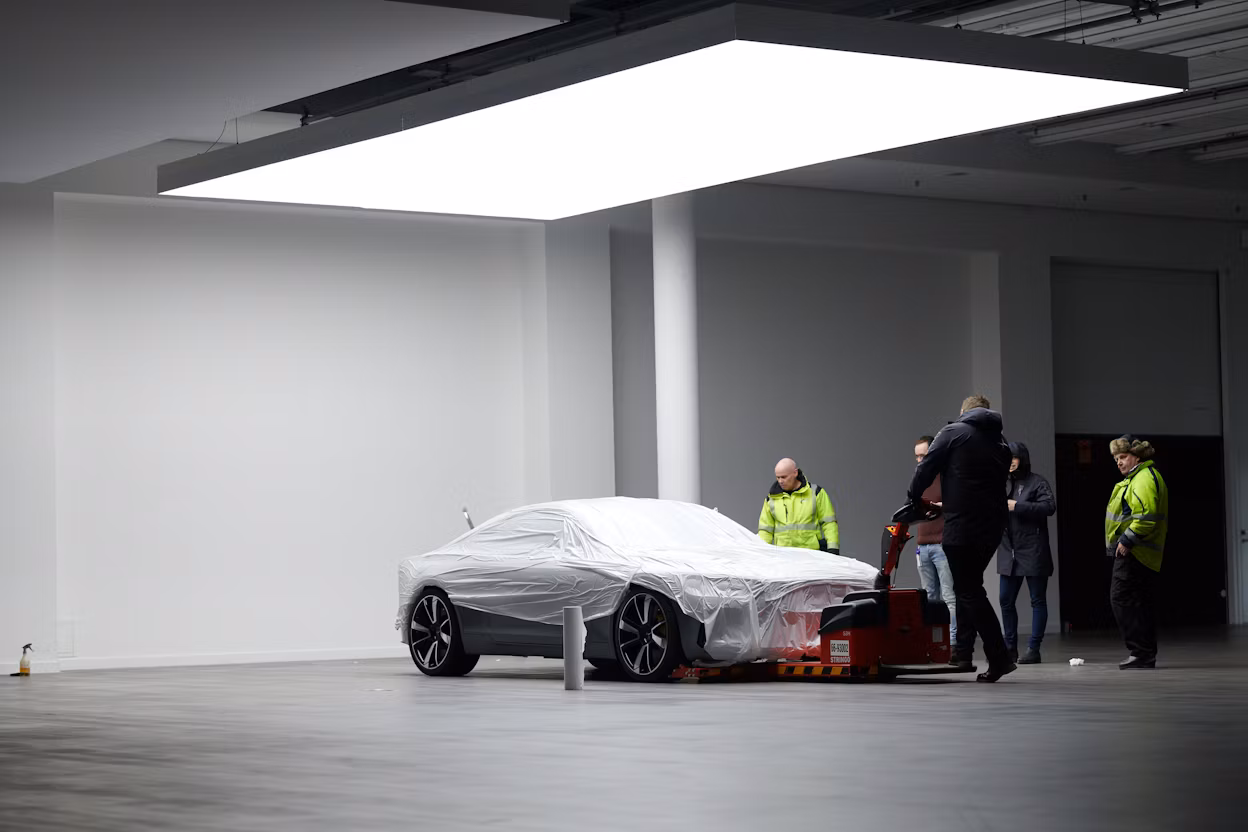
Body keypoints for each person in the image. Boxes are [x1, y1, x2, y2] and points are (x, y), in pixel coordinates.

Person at [907, 394, 1014, 682]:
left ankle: (999, 657)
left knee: (968, 591)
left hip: (961, 525)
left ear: (964, 412)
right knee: (970, 589)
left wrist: (913, 497)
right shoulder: (1002, 442)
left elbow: (926, 467)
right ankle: (966, 652)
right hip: (992, 526)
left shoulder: (953, 432)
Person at [1105, 435, 1168, 669]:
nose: (1118, 462)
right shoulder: (1140, 477)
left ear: (1137, 456)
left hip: (1135, 551)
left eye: (1122, 457)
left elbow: (1147, 516)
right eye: (1116, 459)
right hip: (1139, 551)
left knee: (1121, 598)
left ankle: (1140, 651)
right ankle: (1144, 653)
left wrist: (1127, 540)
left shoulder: (1143, 479)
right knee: (1138, 601)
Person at [997, 442, 1056, 665]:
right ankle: (1010, 647)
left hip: (1033, 549)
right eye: (1007, 458)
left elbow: (1049, 507)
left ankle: (1034, 649)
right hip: (1007, 551)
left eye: (1014, 458)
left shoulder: (1036, 482)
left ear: (1022, 458)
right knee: (1005, 599)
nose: (1011, 462)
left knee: (1037, 600)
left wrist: (1017, 506)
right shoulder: (1001, 482)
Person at [913, 435, 956, 646]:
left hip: (942, 544)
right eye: (917, 456)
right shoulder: (919, 479)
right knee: (929, 598)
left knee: (948, 596)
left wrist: (942, 506)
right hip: (922, 545)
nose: (920, 460)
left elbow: (957, 505)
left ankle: (953, 641)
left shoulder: (947, 476)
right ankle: (933, 641)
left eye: (923, 455)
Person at [758, 458, 840, 553]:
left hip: (812, 554)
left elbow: (829, 523)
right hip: (783, 556)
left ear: (795, 473)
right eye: (778, 477)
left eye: (784, 477)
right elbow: (765, 530)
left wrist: (833, 548)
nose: (780, 481)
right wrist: (762, 553)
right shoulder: (771, 499)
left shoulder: (816, 493)